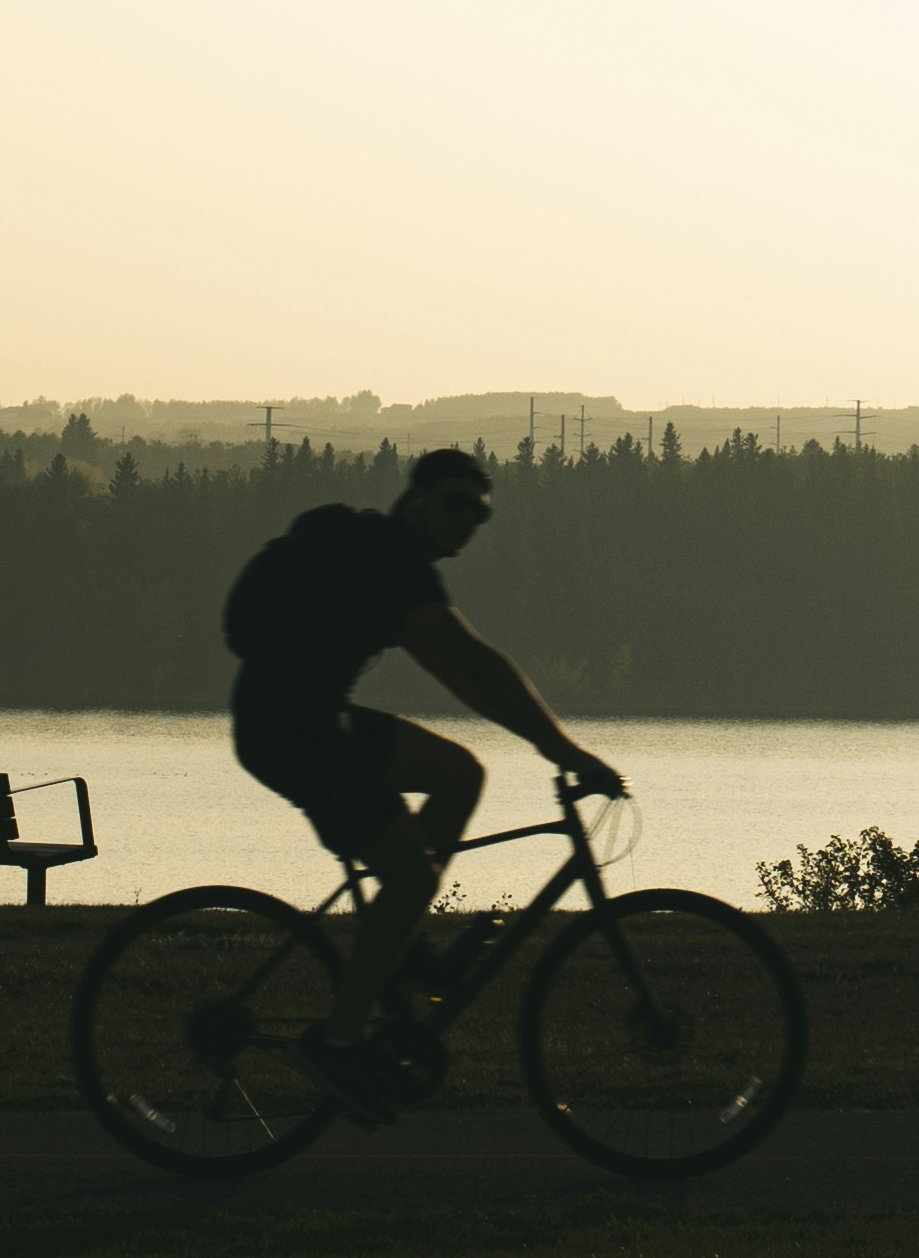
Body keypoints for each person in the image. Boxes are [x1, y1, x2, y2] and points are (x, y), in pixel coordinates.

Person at [223, 445, 621, 1112]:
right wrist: (566, 752)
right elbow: (479, 664)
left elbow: (463, 679)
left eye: (480, 513)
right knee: (409, 875)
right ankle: (337, 1045)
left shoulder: (394, 564)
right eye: (455, 504)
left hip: (315, 720)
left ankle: (400, 949)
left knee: (460, 774)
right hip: (293, 734)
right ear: (417, 500)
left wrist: (543, 742)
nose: (467, 520)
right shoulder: (395, 565)